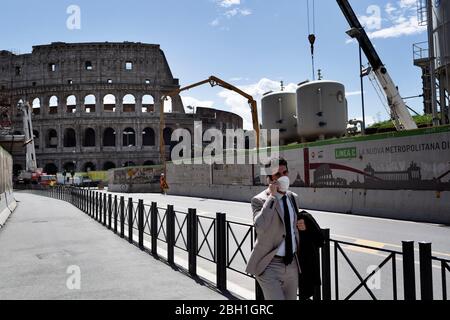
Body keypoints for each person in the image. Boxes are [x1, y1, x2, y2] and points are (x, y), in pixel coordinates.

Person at [246, 157, 306, 300]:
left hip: (291, 264)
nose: (283, 177)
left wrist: (301, 226)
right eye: (278, 175)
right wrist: (272, 197)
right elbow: (260, 227)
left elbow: (291, 227)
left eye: (285, 172)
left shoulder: (293, 198)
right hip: (269, 265)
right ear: (269, 178)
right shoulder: (259, 200)